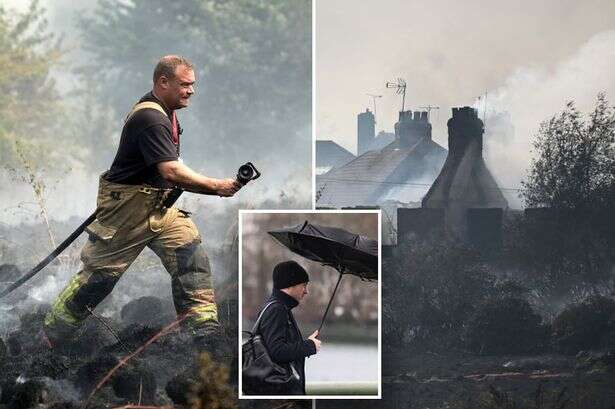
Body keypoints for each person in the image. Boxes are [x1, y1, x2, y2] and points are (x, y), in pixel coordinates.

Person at [43, 55, 242, 347]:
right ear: (163, 82)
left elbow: (170, 166)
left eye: (193, 85)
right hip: (127, 212)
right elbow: (171, 171)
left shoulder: (168, 116)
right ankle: (49, 337)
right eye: (185, 84)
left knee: (190, 256)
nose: (191, 91)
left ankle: (204, 335)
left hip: (159, 209)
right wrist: (218, 187)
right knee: (98, 282)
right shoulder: (150, 118)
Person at [257, 260, 322, 395]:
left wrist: (307, 343)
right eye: (304, 285)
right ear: (290, 284)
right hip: (280, 394)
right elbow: (277, 351)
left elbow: (278, 347)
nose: (306, 291)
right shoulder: (277, 309)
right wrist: (308, 346)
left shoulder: (278, 307)